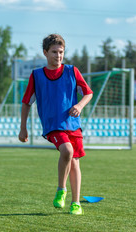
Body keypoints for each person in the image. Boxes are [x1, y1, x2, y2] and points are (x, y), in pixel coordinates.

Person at [18, 34, 93, 215]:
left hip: (73, 124)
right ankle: (61, 189)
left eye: (61, 52)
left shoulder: (72, 71)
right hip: (53, 125)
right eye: (54, 52)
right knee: (67, 151)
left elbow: (88, 93)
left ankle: (76, 203)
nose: (58, 56)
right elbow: (27, 102)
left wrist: (79, 105)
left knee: (75, 162)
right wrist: (23, 127)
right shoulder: (37, 76)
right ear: (45, 52)